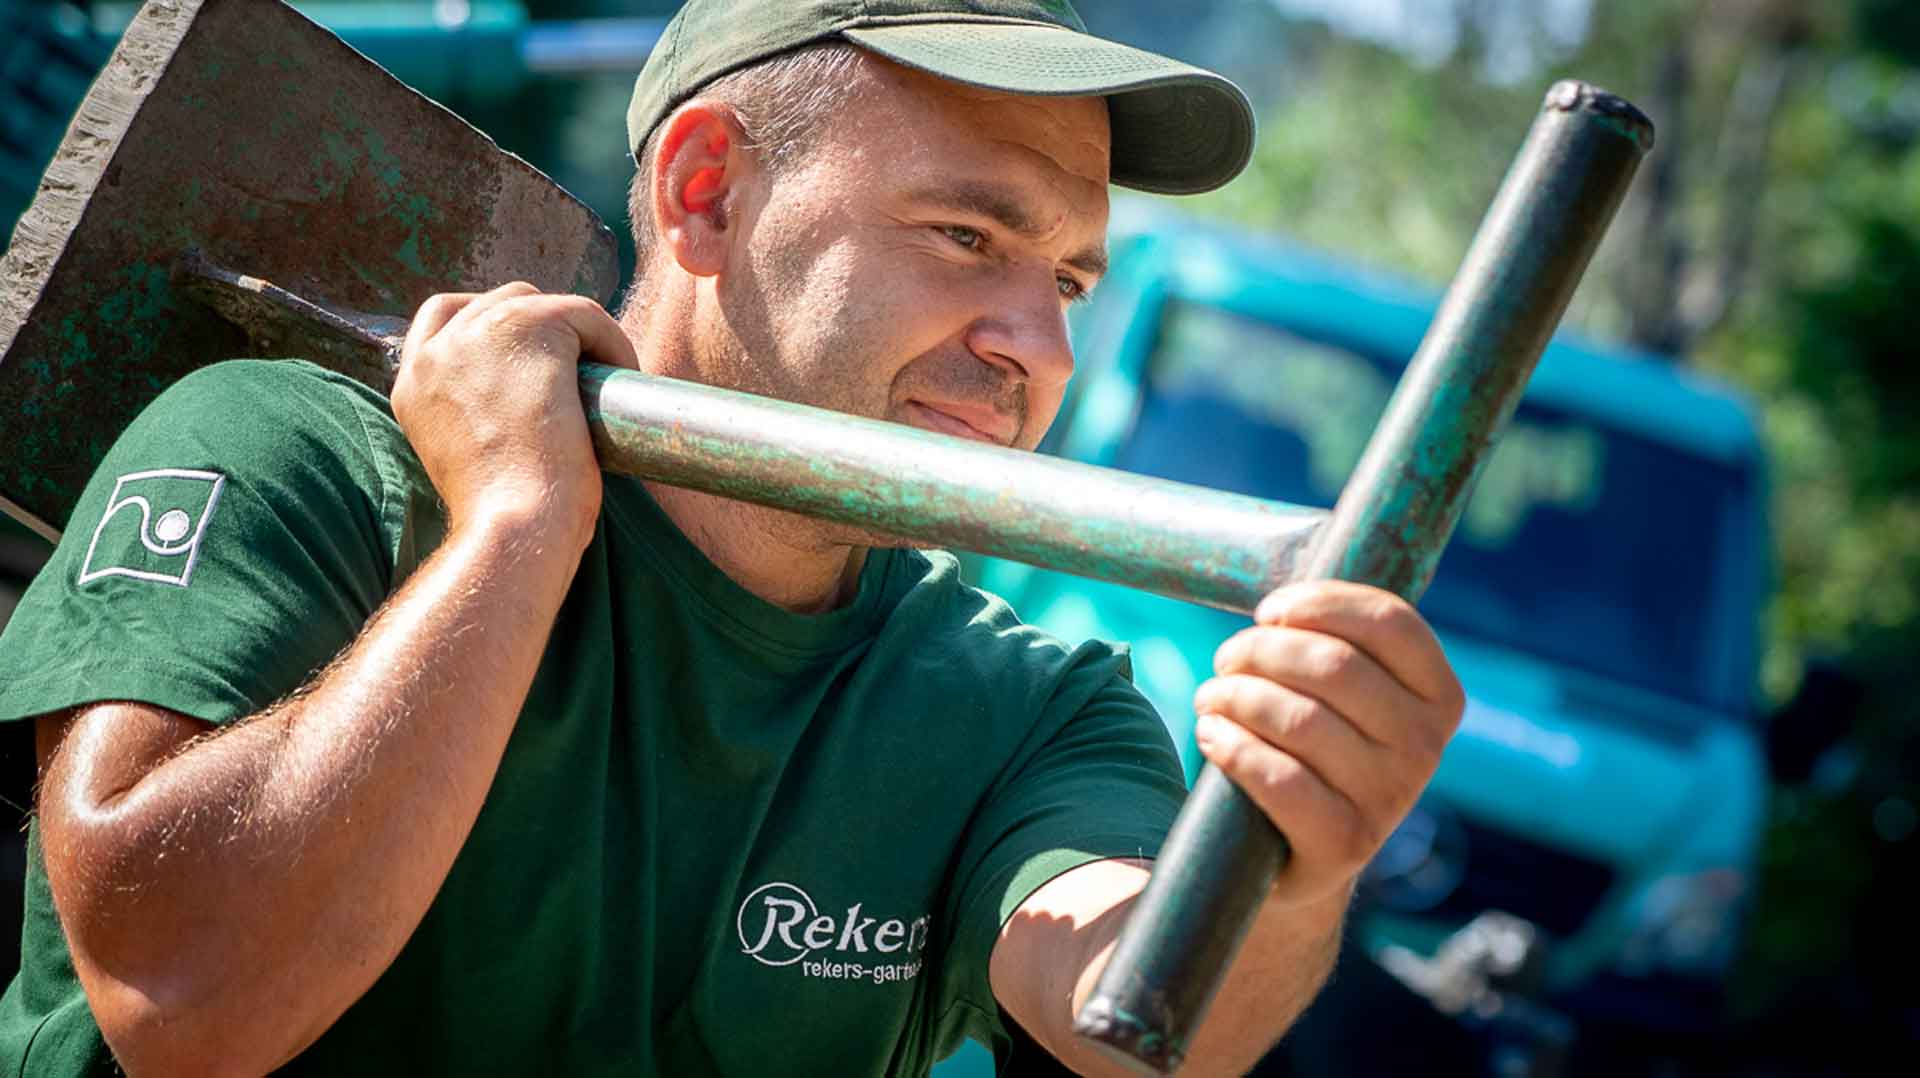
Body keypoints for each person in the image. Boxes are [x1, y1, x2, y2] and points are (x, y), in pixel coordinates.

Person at [0, 0, 1464, 1074]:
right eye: (966, 237)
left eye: (1070, 281)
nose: (1040, 346)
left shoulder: (1025, 709)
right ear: (706, 195)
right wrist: (516, 529)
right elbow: (179, 1003)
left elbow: (1132, 1014)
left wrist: (1295, 870)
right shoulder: (297, 456)